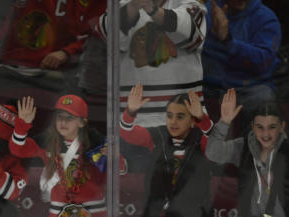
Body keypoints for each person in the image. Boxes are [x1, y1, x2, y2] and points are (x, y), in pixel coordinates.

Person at [203, 89, 289, 217]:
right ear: (252, 126)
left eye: (272, 127)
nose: (265, 134)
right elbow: (213, 153)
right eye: (260, 127)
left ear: (282, 127)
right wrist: (224, 121)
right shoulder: (243, 147)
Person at [120, 83, 215, 217]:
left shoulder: (200, 142)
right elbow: (128, 134)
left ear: (193, 121)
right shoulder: (159, 137)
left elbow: (217, 146)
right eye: (169, 116)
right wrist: (130, 112)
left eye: (180, 117)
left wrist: (203, 119)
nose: (173, 121)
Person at [10, 93, 112, 217]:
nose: (63, 122)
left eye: (69, 117)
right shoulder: (47, 142)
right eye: (59, 117)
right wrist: (22, 125)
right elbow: (18, 150)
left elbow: (119, 169)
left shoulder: (97, 144)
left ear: (82, 122)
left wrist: (112, 157)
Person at [89, 0, 207, 128]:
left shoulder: (189, 2)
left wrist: (153, 10)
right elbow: (108, 35)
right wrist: (133, 7)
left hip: (184, 119)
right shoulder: (123, 3)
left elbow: (190, 35)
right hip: (132, 117)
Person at [201, 0, 280, 122]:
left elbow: (263, 61)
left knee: (262, 97)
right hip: (209, 87)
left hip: (249, 88)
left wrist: (228, 41)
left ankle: (252, 141)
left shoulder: (266, 18)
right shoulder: (206, 12)